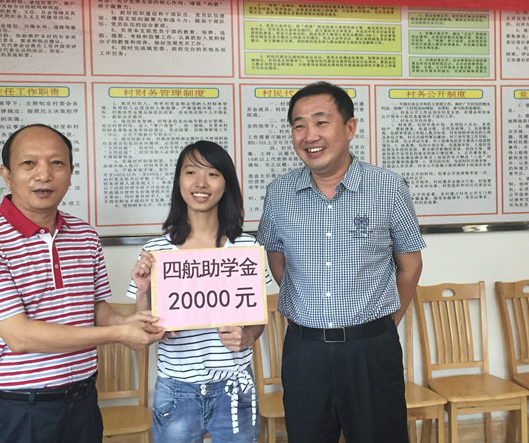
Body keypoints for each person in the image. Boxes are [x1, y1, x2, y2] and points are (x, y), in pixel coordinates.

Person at [0, 124, 166, 443]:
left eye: (56, 163)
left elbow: (96, 310)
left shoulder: (84, 235)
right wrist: (119, 334)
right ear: (6, 175)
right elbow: (20, 336)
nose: (44, 174)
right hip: (17, 414)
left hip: (82, 406)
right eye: (29, 163)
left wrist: (130, 321)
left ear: (70, 173)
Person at [257, 81, 425, 443]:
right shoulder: (279, 193)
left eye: (321, 122)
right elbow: (277, 260)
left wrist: (383, 324)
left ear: (349, 128)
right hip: (305, 351)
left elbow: (410, 265)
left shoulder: (388, 188)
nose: (309, 135)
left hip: (371, 351)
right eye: (299, 125)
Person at [128, 140, 267, 443]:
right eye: (191, 172)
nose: (201, 183)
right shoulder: (156, 251)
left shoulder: (247, 248)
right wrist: (143, 291)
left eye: (213, 174)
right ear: (179, 180)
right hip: (177, 388)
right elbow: (142, 328)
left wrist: (248, 336)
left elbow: (257, 317)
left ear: (226, 184)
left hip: (234, 385)